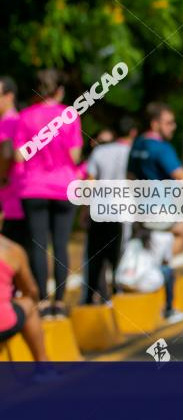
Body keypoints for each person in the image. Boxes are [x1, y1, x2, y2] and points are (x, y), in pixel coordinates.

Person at [13, 70, 83, 318]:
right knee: (61, 245)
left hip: (33, 187)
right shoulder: (69, 116)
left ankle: (42, 301)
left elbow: (19, 155)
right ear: (59, 91)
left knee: (38, 245)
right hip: (63, 186)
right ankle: (60, 303)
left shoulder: (24, 117)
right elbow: (75, 156)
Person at [127, 103, 183, 324]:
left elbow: (130, 177)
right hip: (160, 213)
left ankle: (163, 296)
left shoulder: (137, 145)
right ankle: (167, 305)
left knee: (159, 251)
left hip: (141, 211)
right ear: (155, 124)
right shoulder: (162, 148)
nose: (173, 127)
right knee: (178, 237)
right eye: (168, 122)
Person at [81, 116, 137, 305]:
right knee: (119, 254)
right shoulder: (132, 152)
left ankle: (90, 297)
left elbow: (89, 182)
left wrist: (84, 210)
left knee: (95, 255)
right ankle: (116, 293)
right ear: (133, 133)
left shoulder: (100, 151)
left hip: (100, 209)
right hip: (123, 211)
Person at [0, 233, 49, 361]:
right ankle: (43, 366)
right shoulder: (11, 249)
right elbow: (31, 291)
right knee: (29, 303)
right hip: (3, 323)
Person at [0, 76, 27, 249]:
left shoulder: (8, 122)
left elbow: (6, 152)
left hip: (8, 195)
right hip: (18, 195)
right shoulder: (19, 120)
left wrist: (1, 176)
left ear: (9, 96)